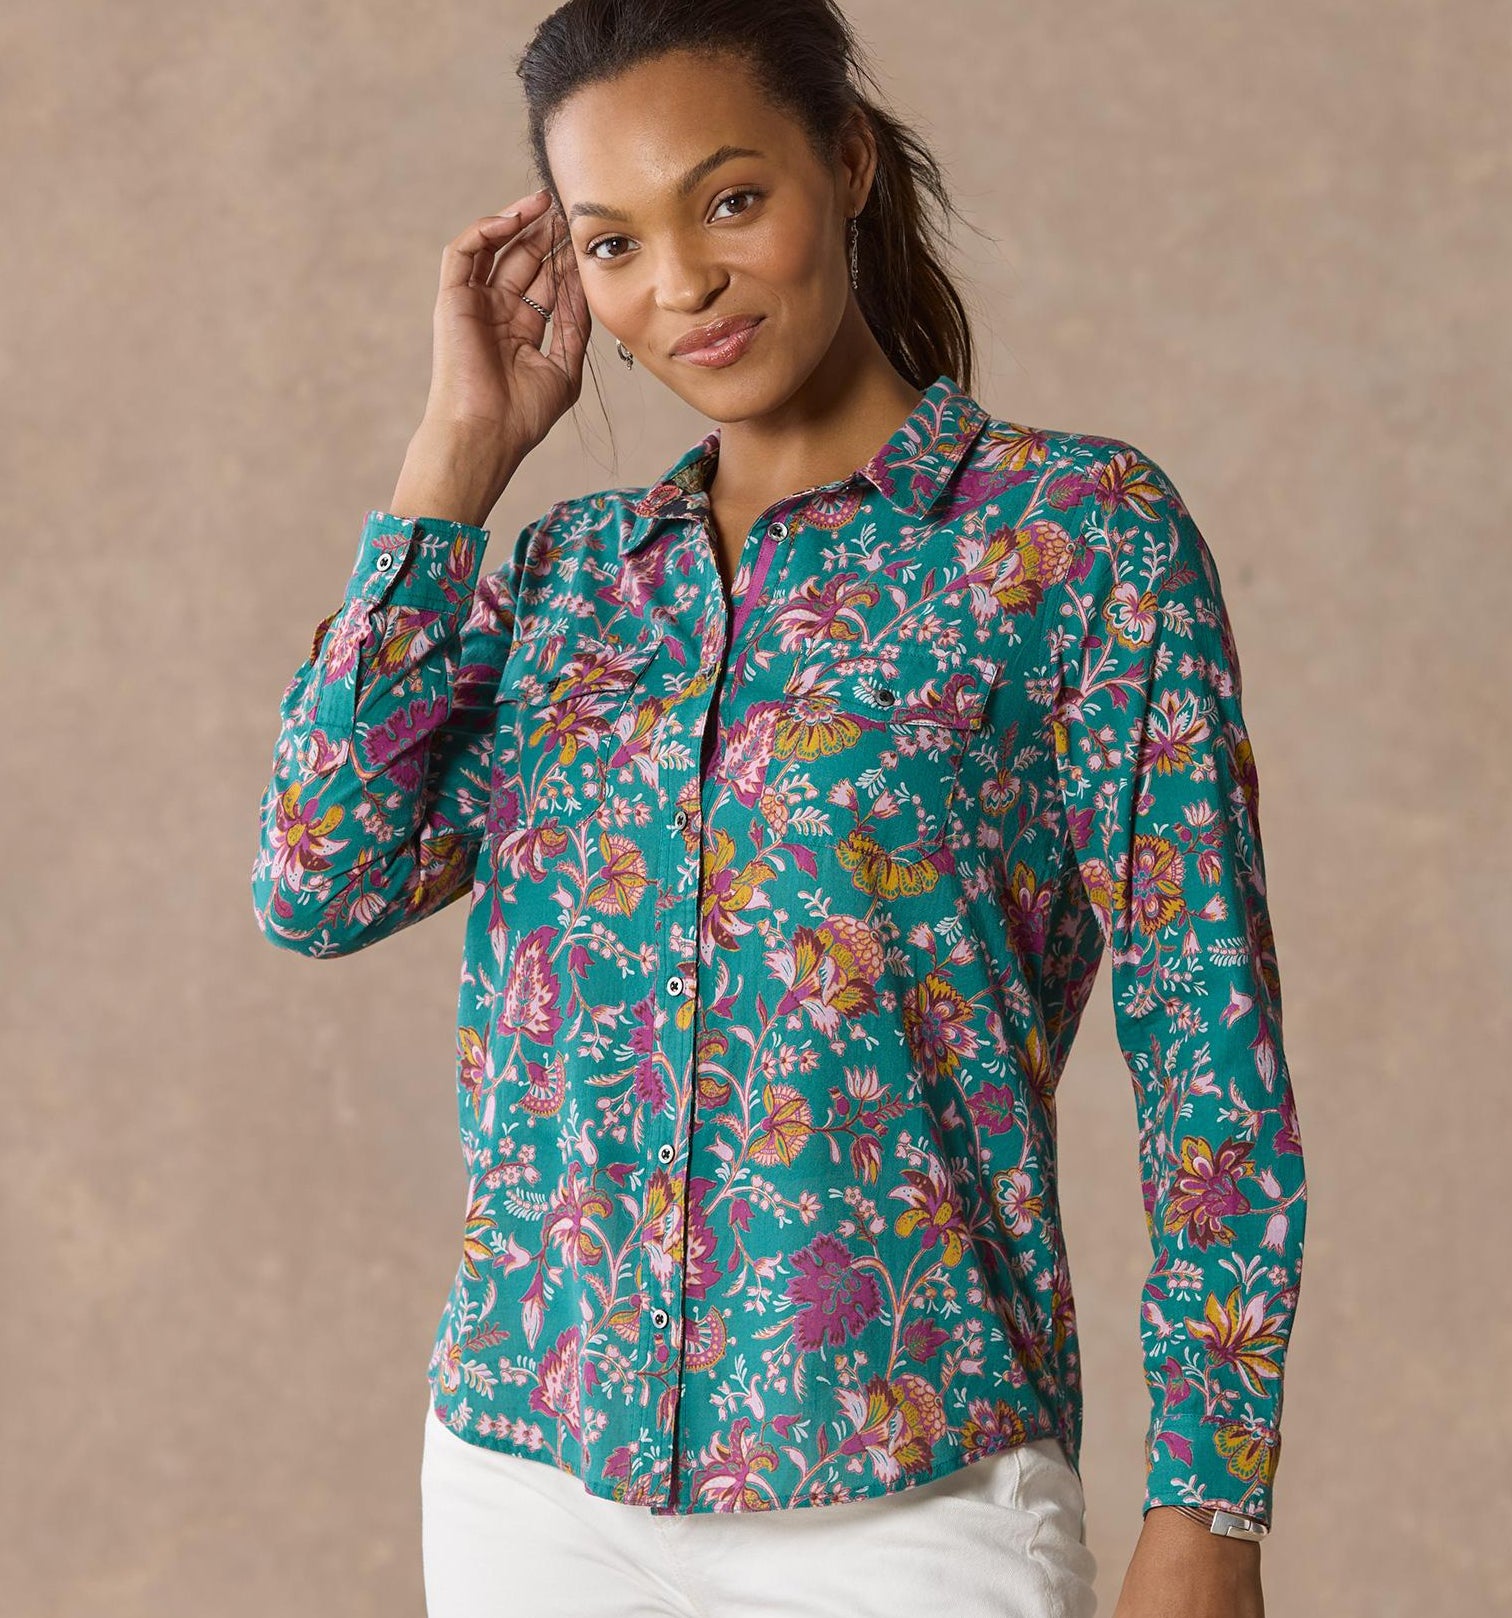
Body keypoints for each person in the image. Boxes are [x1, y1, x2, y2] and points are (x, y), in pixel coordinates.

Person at [251, 2, 1307, 1613]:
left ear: (848, 163)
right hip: (528, 1479)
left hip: (906, 1491)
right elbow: (314, 879)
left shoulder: (1072, 542)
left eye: (729, 201)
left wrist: (1208, 1504)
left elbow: (1205, 1038)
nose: (679, 283)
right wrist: (455, 458)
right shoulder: (572, 581)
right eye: (613, 243)